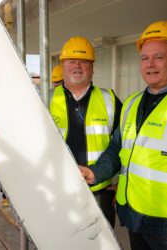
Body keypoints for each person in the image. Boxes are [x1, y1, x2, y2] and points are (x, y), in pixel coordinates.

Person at [81, 21, 167, 250]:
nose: (150, 65)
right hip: (134, 216)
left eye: (159, 57)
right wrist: (95, 172)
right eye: (145, 58)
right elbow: (117, 149)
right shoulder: (132, 103)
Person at [50, 36, 122, 227]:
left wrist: (112, 178)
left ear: (92, 67)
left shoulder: (111, 100)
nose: (77, 66)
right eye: (71, 61)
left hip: (99, 190)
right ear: (63, 65)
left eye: (83, 62)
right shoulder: (43, 100)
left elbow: (122, 146)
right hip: (56, 189)